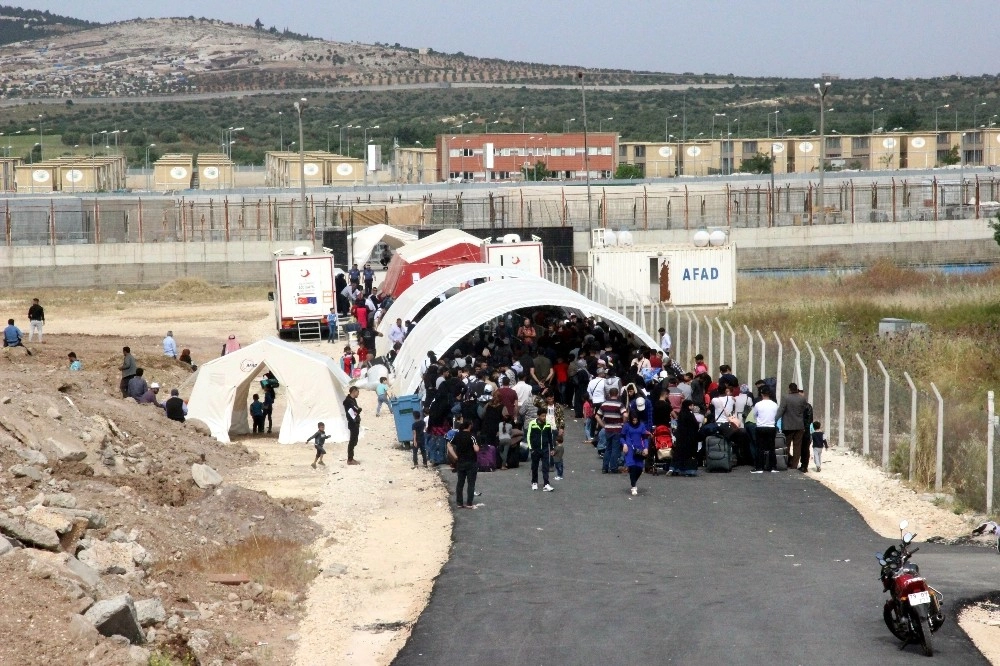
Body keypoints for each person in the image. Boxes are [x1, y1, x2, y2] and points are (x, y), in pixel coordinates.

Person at [447, 420, 480, 509]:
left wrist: (455, 456)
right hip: (471, 462)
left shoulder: (457, 435)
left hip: (460, 461)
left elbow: (449, 445)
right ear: (469, 426)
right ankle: (469, 503)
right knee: (471, 483)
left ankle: (459, 503)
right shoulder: (472, 436)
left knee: (460, 483)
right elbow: (476, 449)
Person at [776, 382, 808, 472]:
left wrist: (774, 420)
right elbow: (804, 409)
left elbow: (781, 410)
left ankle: (785, 463)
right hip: (799, 425)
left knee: (786, 445)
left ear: (789, 389)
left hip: (788, 425)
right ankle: (794, 465)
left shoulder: (786, 398)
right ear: (797, 389)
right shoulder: (802, 398)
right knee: (797, 446)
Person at [750, 385, 779, 474]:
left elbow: (754, 415)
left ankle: (759, 467)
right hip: (771, 427)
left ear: (761, 394)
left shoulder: (758, 404)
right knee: (771, 448)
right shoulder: (775, 404)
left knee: (760, 448)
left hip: (760, 427)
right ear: (769, 394)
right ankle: (773, 467)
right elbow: (776, 415)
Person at [597, 386, 626, 474]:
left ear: (609, 394)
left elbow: (597, 416)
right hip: (617, 429)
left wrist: (603, 425)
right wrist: (623, 423)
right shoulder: (620, 404)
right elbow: (625, 415)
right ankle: (613, 467)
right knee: (615, 449)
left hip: (608, 429)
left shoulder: (604, 404)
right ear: (617, 394)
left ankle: (604, 468)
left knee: (608, 448)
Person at [621, 413, 651, 495]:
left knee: (639, 469)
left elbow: (644, 438)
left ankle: (633, 481)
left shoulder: (641, 425)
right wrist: (624, 444)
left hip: (639, 448)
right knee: (632, 467)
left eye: (636, 420)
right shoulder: (626, 426)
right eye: (633, 420)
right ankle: (633, 486)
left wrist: (646, 447)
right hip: (629, 448)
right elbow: (622, 436)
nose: (634, 422)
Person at [526, 411, 554, 492]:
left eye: (545, 416)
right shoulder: (532, 424)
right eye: (542, 416)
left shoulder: (548, 424)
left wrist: (551, 448)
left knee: (545, 467)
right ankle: (534, 482)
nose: (544, 418)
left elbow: (550, 437)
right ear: (538, 416)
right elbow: (528, 436)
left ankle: (546, 483)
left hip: (545, 449)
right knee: (534, 466)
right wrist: (531, 448)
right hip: (535, 449)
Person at [672, 399, 699, 477]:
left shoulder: (681, 414)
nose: (692, 407)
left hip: (680, 438)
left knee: (679, 453)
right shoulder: (690, 414)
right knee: (689, 454)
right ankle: (689, 470)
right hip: (689, 438)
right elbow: (695, 425)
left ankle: (676, 469)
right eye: (691, 405)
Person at [344, 386, 362, 465]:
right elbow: (355, 410)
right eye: (357, 392)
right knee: (352, 441)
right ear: (354, 391)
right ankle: (350, 459)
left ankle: (351, 458)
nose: (358, 394)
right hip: (352, 422)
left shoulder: (352, 400)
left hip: (356, 422)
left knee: (355, 441)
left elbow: (356, 410)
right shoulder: (348, 401)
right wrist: (358, 410)